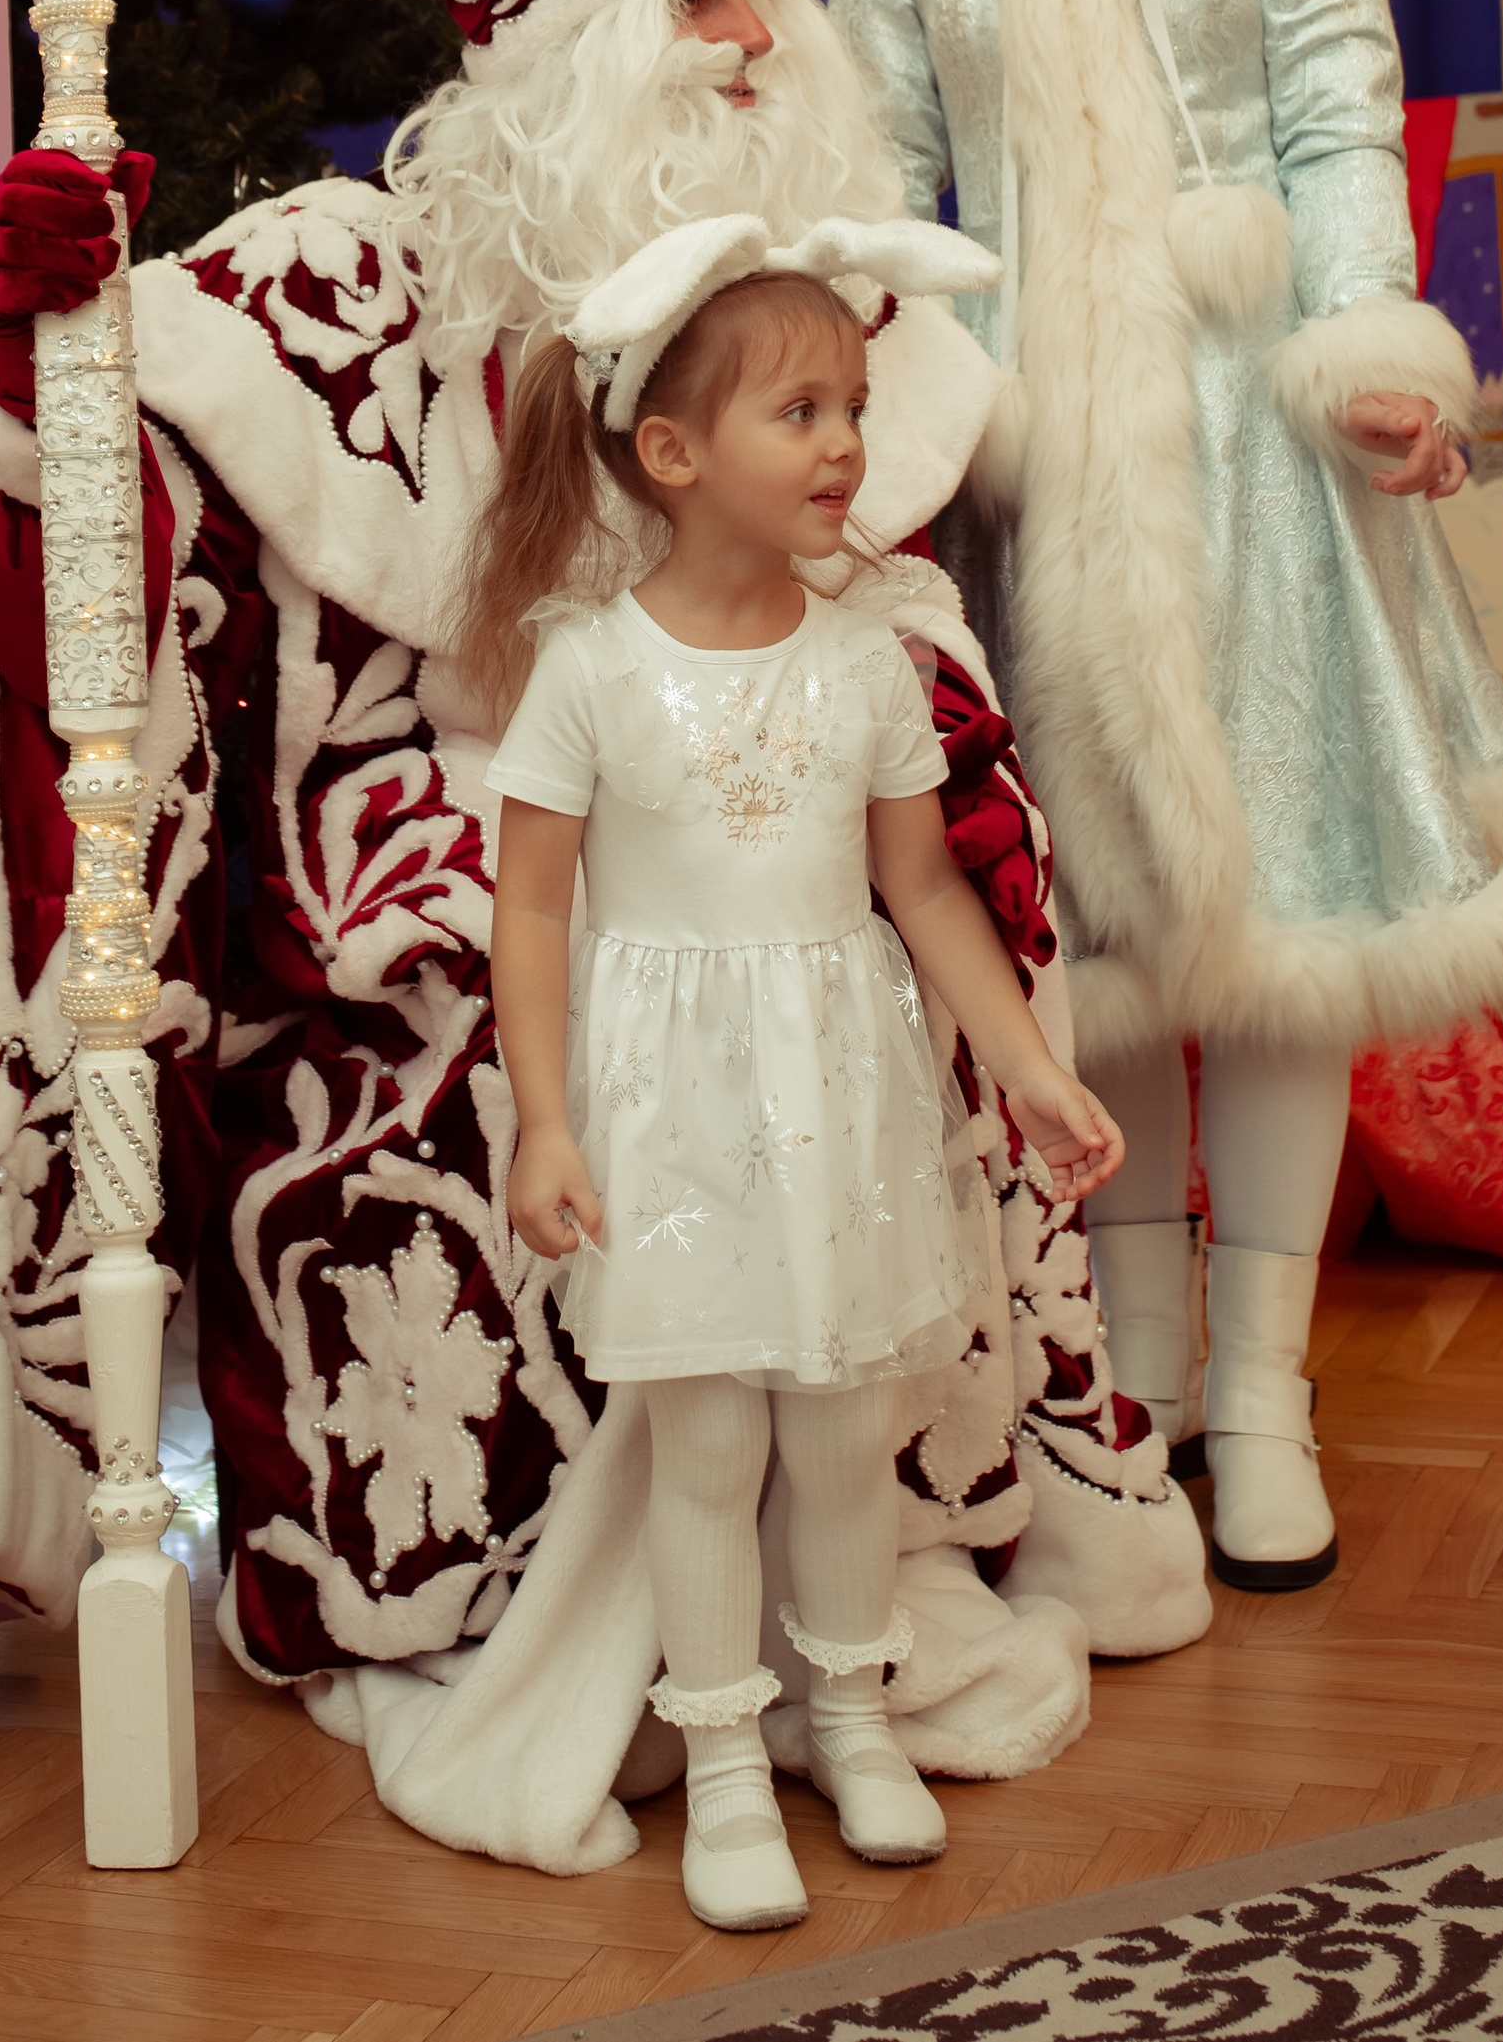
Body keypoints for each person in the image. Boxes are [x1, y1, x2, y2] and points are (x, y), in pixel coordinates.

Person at [0, 0, 1204, 1873]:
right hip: (488, 830)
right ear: (573, 59)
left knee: (867, 1231)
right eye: (700, 4)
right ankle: (566, 1635)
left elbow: (889, 650)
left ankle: (850, 1653)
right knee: (472, 1073)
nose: (759, 39)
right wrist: (46, 361)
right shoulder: (349, 281)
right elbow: (123, 562)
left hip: (784, 868)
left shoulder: (820, 321)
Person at [831, 0, 1503, 1590]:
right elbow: (885, 187)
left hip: (1250, 451)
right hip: (1018, 466)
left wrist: (1366, 346)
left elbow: (1340, 121)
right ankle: (1132, 1373)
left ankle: (1260, 1394)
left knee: (1267, 937)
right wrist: (894, 425)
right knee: (1092, 940)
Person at [471, 220, 1124, 1926]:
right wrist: (543, 1116)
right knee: (703, 1446)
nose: (846, 442)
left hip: (845, 1101)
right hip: (671, 1118)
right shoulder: (591, 663)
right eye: (800, 411)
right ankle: (727, 1762)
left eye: (854, 402)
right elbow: (531, 904)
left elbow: (920, 887)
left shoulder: (869, 657)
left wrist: (1034, 1070)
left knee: (842, 1441)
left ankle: (853, 1712)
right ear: (674, 455)